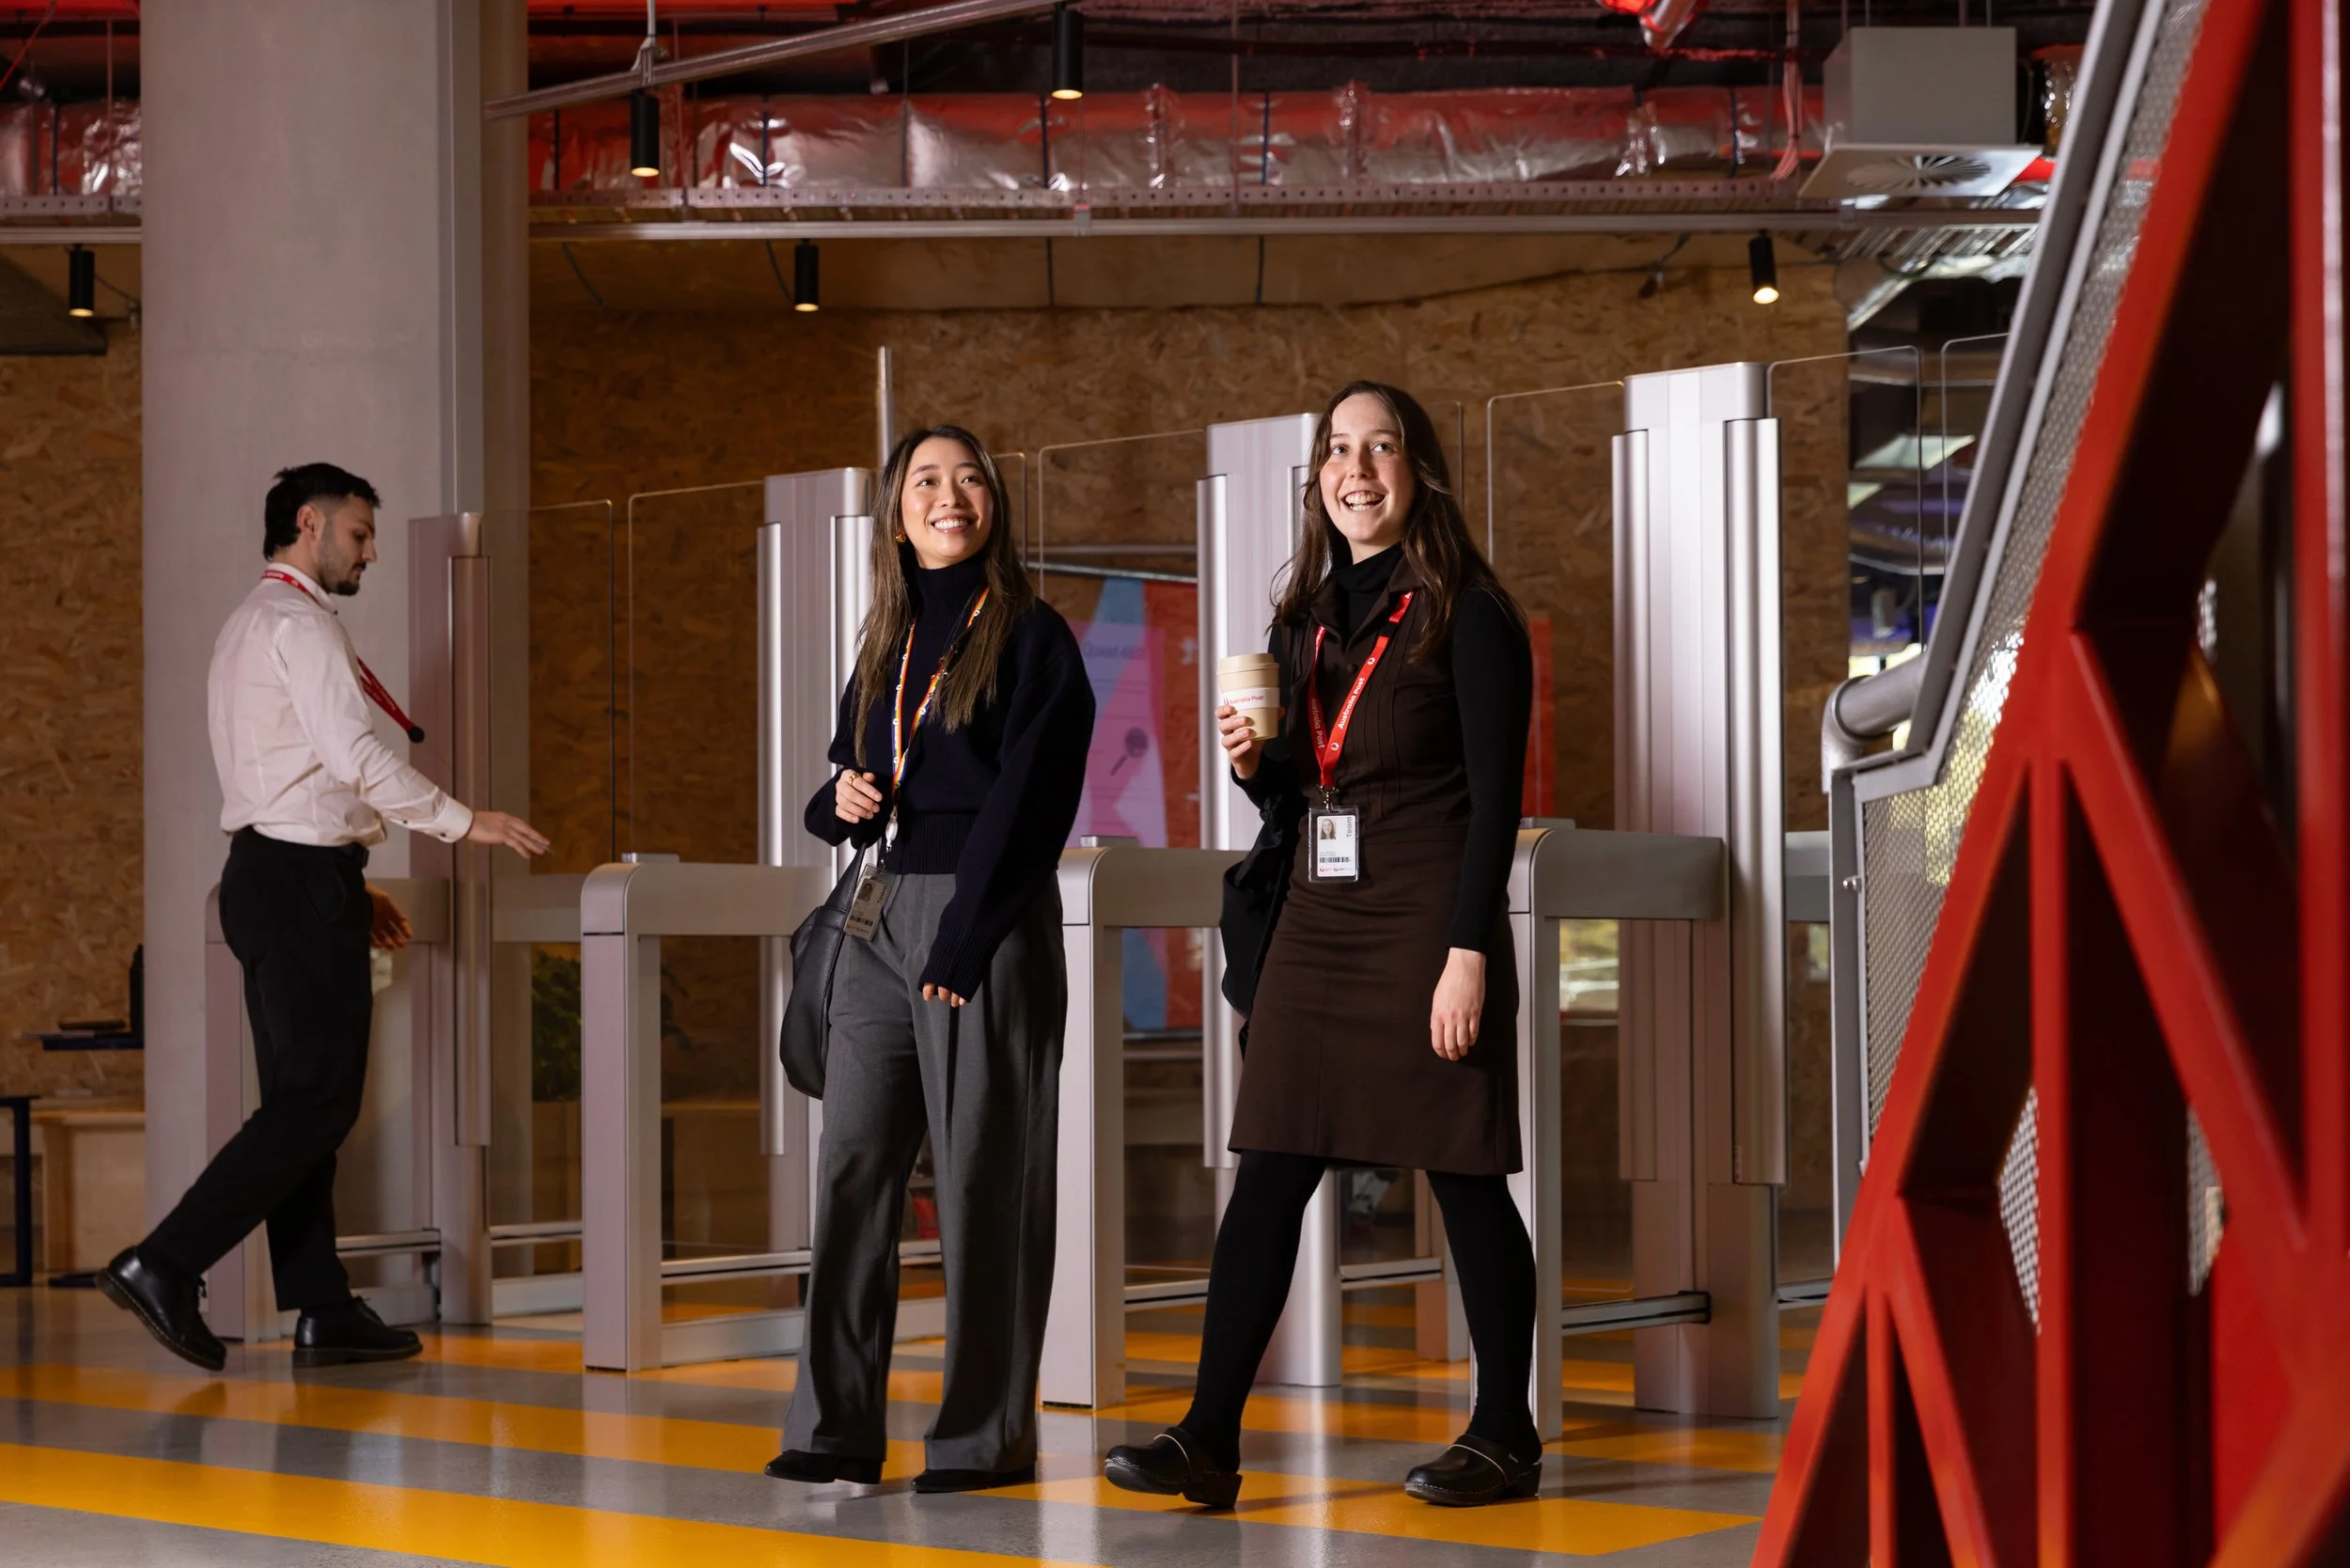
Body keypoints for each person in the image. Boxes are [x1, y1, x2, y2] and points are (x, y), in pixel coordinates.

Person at [1104, 382, 1540, 1508]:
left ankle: (1505, 1432)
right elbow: (1307, 798)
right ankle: (1208, 1437)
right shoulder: (1301, 619)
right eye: (1338, 452)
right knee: (1270, 1168)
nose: (1357, 469)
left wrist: (1469, 953)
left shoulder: (1467, 612)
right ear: (1318, 480)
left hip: (1428, 914)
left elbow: (1494, 803)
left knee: (1463, 1173)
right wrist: (1261, 771)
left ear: (1418, 470)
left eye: (1381, 447)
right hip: (1321, 914)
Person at [100, 464, 549, 1372]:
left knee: (302, 1100)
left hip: (277, 875)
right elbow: (351, 755)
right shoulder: (298, 625)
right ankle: (163, 1261)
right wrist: (469, 822)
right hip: (296, 880)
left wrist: (346, 872)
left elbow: (289, 775)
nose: (370, 551)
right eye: (359, 534)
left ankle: (322, 1306)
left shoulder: (249, 623)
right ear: (309, 523)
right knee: (315, 1101)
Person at [767, 426, 1094, 1495]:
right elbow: (844, 790)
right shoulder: (889, 638)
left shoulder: (1032, 636)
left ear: (992, 503)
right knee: (853, 1165)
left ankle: (979, 1439)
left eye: (966, 479)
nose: (948, 496)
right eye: (925, 481)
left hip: (979, 919)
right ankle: (833, 1428)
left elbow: (1030, 802)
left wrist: (966, 936)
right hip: (876, 917)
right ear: (896, 512)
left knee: (983, 1178)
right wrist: (838, 801)